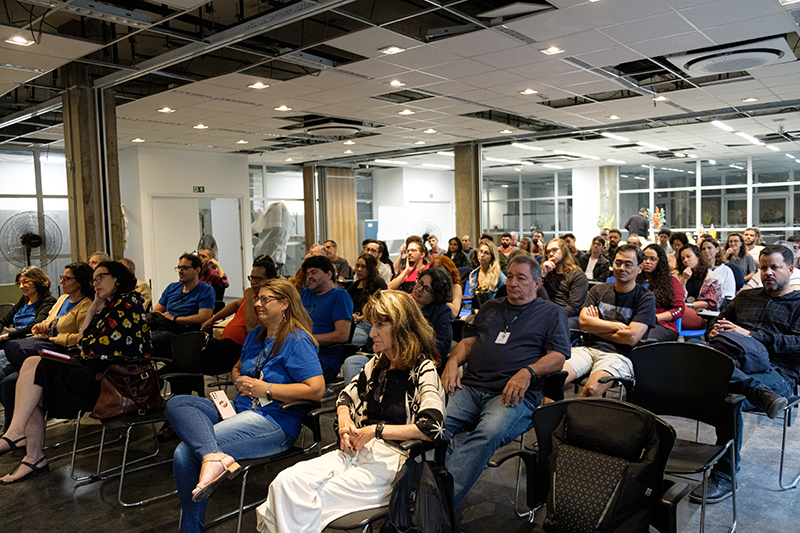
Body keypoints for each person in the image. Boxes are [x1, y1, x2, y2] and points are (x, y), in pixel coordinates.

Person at [257, 290, 446, 532]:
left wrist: (376, 431)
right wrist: (345, 420)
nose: (372, 332)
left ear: (401, 327)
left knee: (304, 499)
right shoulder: (378, 362)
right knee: (284, 483)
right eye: (371, 324)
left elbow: (432, 428)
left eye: (380, 325)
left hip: (394, 461)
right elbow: (345, 396)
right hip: (357, 450)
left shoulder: (423, 368)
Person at [167, 279, 325, 533]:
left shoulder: (296, 339)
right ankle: (213, 456)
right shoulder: (256, 334)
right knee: (178, 402)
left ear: (285, 303)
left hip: (274, 421)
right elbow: (238, 367)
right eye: (256, 298)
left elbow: (316, 389)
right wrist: (238, 379)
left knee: (185, 452)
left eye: (265, 299)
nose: (257, 303)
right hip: (239, 408)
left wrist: (268, 389)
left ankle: (191, 528)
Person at [0, 261, 150, 483]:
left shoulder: (129, 303)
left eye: (101, 277)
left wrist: (84, 338)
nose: (95, 282)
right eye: (93, 279)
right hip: (92, 369)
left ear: (116, 279)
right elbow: (83, 340)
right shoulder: (103, 305)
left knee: (33, 377)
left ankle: (24, 446)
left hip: (115, 378)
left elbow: (89, 343)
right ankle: (27, 449)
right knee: (30, 368)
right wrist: (93, 308)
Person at [442, 255, 570, 506]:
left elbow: (558, 357)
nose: (512, 283)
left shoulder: (551, 312)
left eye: (521, 278)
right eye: (510, 277)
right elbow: (468, 343)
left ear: (537, 283)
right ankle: (422, 487)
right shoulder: (491, 307)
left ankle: (438, 501)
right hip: (469, 387)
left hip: (512, 395)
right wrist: (452, 362)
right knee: (433, 424)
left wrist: (528, 372)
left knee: (487, 434)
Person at [695, 245, 800, 503]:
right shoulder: (745, 297)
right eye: (763, 267)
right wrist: (715, 331)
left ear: (790, 269)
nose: (768, 273)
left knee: (728, 394)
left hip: (778, 374)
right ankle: (754, 391)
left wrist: (751, 335)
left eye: (774, 267)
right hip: (734, 364)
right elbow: (717, 321)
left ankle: (726, 476)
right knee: (690, 354)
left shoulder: (798, 304)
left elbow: (797, 343)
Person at [563, 244, 656, 398]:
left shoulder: (645, 298)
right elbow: (584, 322)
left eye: (628, 264)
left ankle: (573, 420)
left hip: (620, 355)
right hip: (589, 348)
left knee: (592, 389)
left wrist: (596, 326)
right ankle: (551, 420)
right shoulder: (598, 290)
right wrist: (615, 326)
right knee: (553, 378)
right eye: (618, 263)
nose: (621, 268)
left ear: (639, 268)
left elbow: (631, 337)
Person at [199, 257, 279, 383]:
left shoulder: (267, 301)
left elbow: (252, 329)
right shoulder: (253, 295)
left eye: (258, 279)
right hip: (228, 344)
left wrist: (250, 297)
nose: (253, 282)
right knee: (189, 349)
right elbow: (236, 305)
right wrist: (213, 319)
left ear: (271, 280)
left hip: (242, 349)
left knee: (196, 345)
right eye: (252, 278)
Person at [150, 253, 215, 358]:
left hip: (184, 332)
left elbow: (204, 317)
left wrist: (175, 319)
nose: (180, 271)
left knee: (149, 340)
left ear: (197, 270)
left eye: (184, 268)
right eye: (179, 268)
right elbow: (156, 311)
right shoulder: (172, 287)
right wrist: (164, 317)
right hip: (165, 326)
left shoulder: (206, 290)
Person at [300, 256, 354, 382]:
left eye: (314, 272)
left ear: (329, 274)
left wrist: (308, 339)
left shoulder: (340, 296)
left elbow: (342, 335)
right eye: (307, 274)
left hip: (325, 359)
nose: (309, 277)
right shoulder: (305, 293)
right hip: (300, 353)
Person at [638, 244, 684, 342]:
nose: (647, 262)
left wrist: (654, 318)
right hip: (636, 322)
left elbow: (679, 309)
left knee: (646, 342)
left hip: (662, 325)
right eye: (645, 258)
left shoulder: (671, 282)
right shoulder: (634, 281)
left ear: (660, 261)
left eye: (652, 259)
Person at [0, 267, 57, 346]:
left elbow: (35, 325)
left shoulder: (49, 301)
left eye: (25, 281)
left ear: (37, 281)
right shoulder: (24, 300)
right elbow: (4, 320)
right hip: (13, 340)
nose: (21, 286)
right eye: (19, 283)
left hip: (29, 342)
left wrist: (7, 336)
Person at [541, 238, 589, 330]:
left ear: (564, 251)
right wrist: (542, 275)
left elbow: (574, 307)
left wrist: (552, 316)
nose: (551, 254)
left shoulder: (577, 275)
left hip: (569, 315)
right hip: (547, 312)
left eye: (554, 250)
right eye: (548, 252)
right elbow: (535, 297)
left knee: (555, 329)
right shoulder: (547, 273)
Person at [677, 244, 722, 330]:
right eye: (683, 258)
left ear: (697, 256)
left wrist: (688, 305)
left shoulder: (711, 277)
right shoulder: (679, 275)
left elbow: (711, 303)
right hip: (681, 311)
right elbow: (674, 297)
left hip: (702, 315)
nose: (685, 260)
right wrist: (684, 279)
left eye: (688, 256)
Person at [347, 253, 388, 345]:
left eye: (363, 267)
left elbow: (381, 307)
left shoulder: (379, 283)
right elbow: (345, 303)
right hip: (354, 322)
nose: (359, 269)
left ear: (370, 268)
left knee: (352, 341)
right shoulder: (355, 285)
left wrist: (362, 317)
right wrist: (352, 314)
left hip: (369, 322)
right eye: (357, 266)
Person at [468, 240, 506, 311]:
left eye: (486, 253)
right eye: (481, 251)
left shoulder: (498, 276)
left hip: (493, 312)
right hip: (476, 312)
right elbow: (470, 300)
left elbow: (505, 300)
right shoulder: (473, 274)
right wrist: (475, 310)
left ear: (492, 257)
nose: (482, 255)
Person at [700, 238, 736, 303]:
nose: (706, 251)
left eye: (709, 248)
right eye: (703, 249)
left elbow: (729, 295)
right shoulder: (699, 270)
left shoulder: (726, 270)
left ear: (717, 249)